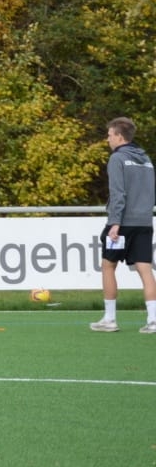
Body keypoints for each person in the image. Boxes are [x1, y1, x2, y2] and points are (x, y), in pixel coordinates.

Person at [90, 117, 156, 333]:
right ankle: (153, 320)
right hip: (144, 221)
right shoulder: (146, 159)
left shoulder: (117, 158)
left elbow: (118, 193)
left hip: (123, 223)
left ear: (119, 136)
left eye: (110, 135)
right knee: (145, 269)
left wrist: (115, 223)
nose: (107, 139)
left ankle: (109, 319)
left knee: (108, 266)